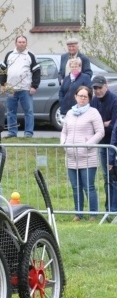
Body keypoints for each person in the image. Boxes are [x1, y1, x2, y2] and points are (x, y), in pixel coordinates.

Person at [60, 86, 104, 221]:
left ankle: (93, 214)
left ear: (89, 98)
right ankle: (78, 214)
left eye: (85, 96)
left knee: (88, 187)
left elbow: (100, 132)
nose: (82, 98)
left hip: (88, 157)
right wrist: (63, 143)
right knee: (76, 187)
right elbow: (64, 131)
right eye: (80, 96)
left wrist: (88, 144)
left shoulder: (93, 113)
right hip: (71, 157)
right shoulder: (69, 113)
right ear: (76, 96)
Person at [0, 35, 40, 139]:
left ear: (26, 43)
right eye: (19, 42)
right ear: (15, 43)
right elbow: (2, 70)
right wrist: (2, 84)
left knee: (28, 112)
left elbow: (37, 72)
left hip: (25, 89)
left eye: (23, 42)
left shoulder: (30, 55)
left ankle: (28, 133)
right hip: (11, 89)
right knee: (11, 112)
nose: (21, 44)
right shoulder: (9, 55)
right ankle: (12, 133)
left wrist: (34, 86)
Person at [90, 75, 117, 212]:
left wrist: (100, 126)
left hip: (114, 145)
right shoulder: (94, 101)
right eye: (95, 88)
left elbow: (113, 126)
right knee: (107, 177)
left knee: (114, 176)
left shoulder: (114, 100)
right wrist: (103, 124)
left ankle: (114, 208)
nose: (97, 90)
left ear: (106, 86)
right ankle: (109, 209)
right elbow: (91, 124)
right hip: (103, 144)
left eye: (99, 88)